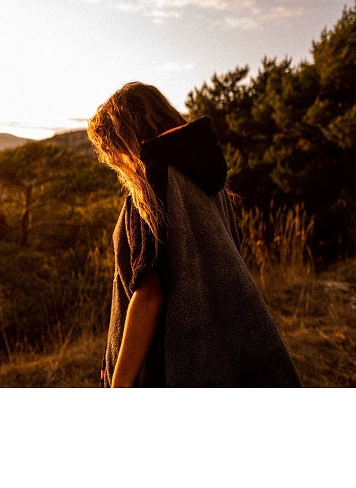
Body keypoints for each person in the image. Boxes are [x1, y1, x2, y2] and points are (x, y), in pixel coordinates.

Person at [87, 81, 302, 388]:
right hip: (223, 347)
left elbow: (149, 293)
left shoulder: (152, 181)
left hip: (172, 360)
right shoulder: (205, 177)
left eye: (113, 149)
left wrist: (119, 385)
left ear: (126, 138)